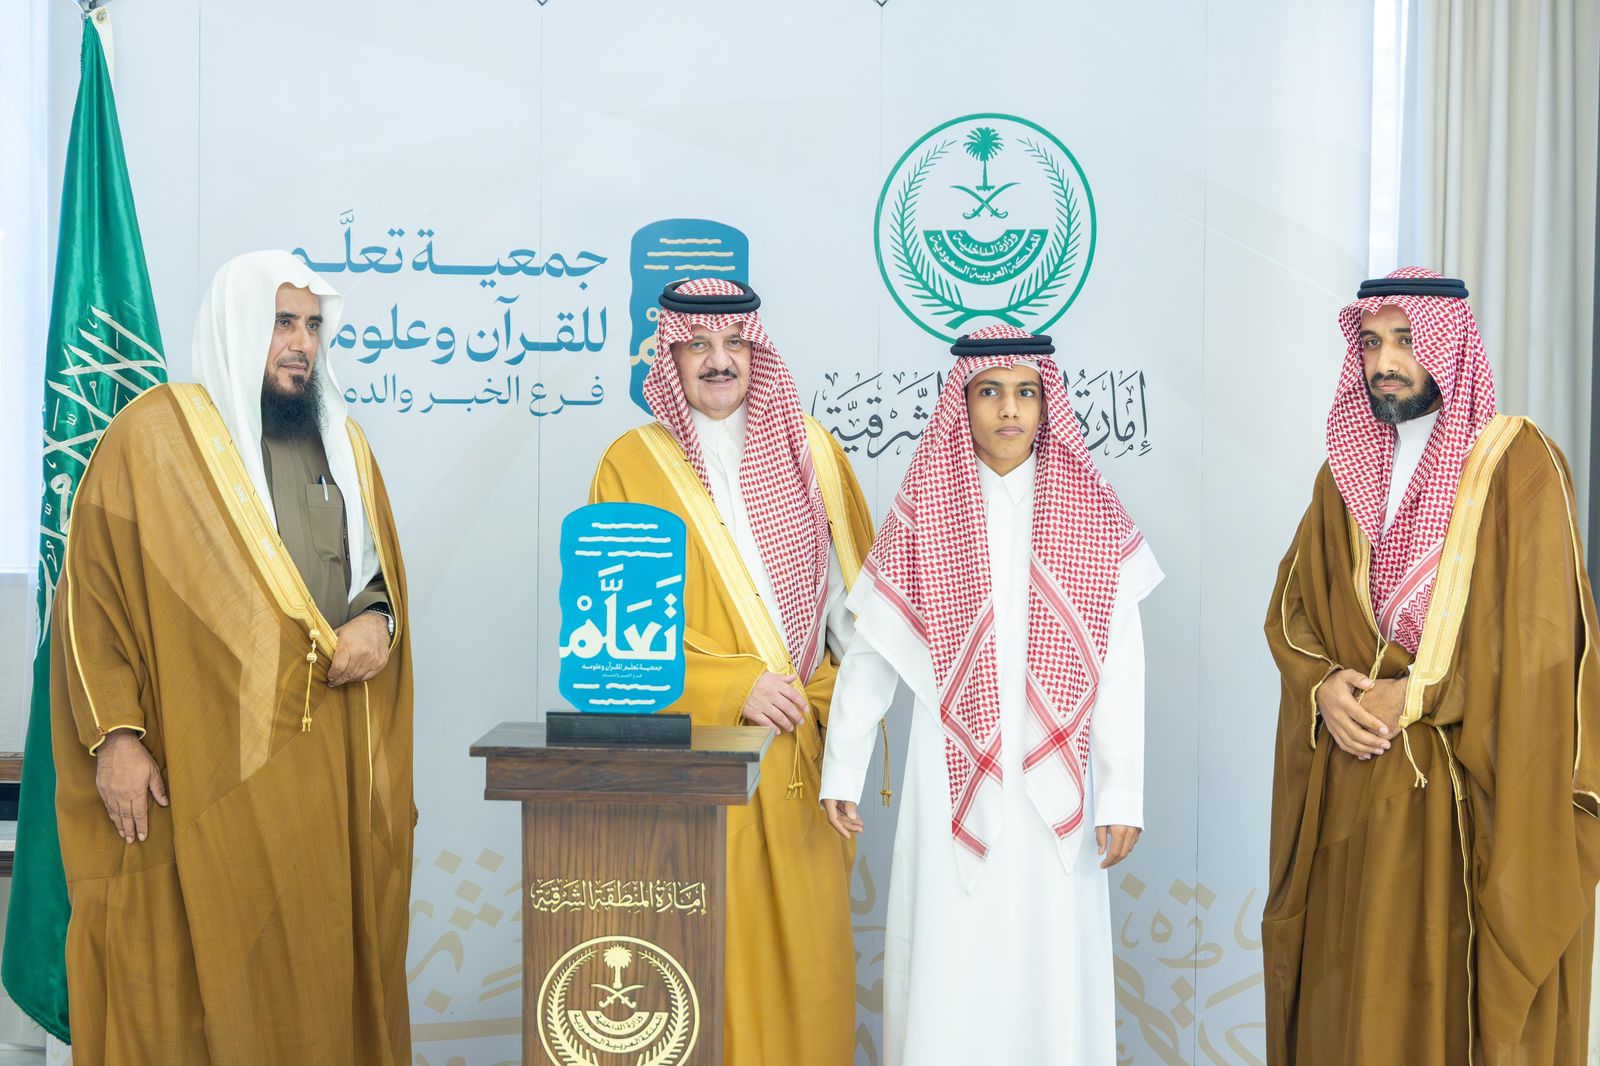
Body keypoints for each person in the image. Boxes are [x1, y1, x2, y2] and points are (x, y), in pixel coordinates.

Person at [51, 250, 415, 1064]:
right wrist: (115, 738)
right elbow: (92, 598)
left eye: (313, 326)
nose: (302, 345)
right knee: (192, 978)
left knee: (316, 971)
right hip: (195, 766)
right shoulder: (153, 437)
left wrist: (378, 624)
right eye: (283, 323)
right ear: (237, 323)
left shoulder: (343, 444)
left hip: (319, 771)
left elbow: (374, 576)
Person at [1263, 268, 1600, 1064]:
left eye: (1406, 341)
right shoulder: (1341, 477)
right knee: (1349, 1001)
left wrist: (1417, 693)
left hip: (1462, 793)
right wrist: (1325, 685)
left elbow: (1542, 641)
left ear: (1449, 347)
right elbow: (1295, 607)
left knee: (1440, 999)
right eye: (1372, 343)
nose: (1385, 362)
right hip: (1351, 783)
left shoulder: (1518, 464)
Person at [820, 325, 1161, 1065]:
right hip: (949, 765)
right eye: (990, 392)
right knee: (950, 948)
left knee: (1051, 956)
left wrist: (1122, 793)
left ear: (1046, 403)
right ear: (963, 402)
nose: (1010, 409)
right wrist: (842, 768)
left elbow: (1120, 664)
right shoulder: (927, 509)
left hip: (1057, 775)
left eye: (1026, 392)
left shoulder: (1090, 512)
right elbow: (874, 649)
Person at [589, 277, 875, 1066]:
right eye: (698, 345)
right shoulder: (630, 466)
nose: (720, 361)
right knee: (703, 981)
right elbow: (613, 649)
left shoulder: (812, 450)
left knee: (810, 983)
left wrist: (840, 738)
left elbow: (862, 621)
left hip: (802, 767)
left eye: (735, 343)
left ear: (757, 350)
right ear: (669, 357)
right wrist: (732, 689)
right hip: (695, 769)